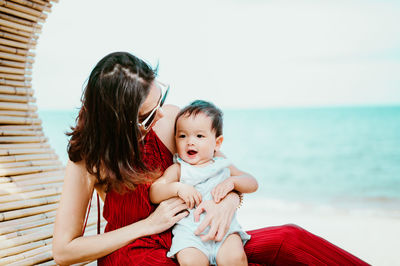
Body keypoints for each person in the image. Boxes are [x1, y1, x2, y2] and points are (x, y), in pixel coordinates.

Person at [52, 51, 368, 265]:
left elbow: (220, 168)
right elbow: (64, 251)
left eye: (159, 96)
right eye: (148, 114)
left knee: (289, 238)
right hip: (133, 254)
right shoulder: (88, 159)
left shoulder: (170, 118)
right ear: (119, 121)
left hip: (194, 234)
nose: (162, 112)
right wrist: (147, 225)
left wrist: (228, 200)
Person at [149, 100, 258, 265]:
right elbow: (155, 192)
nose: (190, 141)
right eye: (182, 136)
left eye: (199, 136)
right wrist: (178, 188)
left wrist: (233, 182)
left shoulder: (221, 163)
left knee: (236, 258)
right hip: (190, 235)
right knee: (190, 261)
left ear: (217, 143)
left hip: (224, 230)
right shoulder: (179, 169)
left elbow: (252, 183)